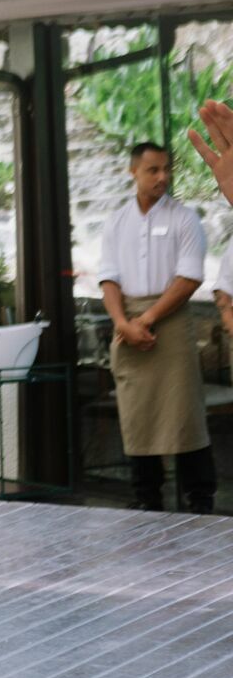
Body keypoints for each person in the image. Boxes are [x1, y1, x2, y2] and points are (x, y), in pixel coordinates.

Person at [98, 142, 216, 513]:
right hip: (128, 323)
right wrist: (122, 323)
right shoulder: (116, 221)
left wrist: (147, 320)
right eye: (153, 170)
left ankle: (200, 501)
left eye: (167, 169)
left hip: (172, 320)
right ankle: (146, 499)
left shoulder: (185, 218)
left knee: (186, 415)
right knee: (137, 416)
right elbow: (108, 279)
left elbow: (189, 277)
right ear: (133, 171)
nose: (162, 177)